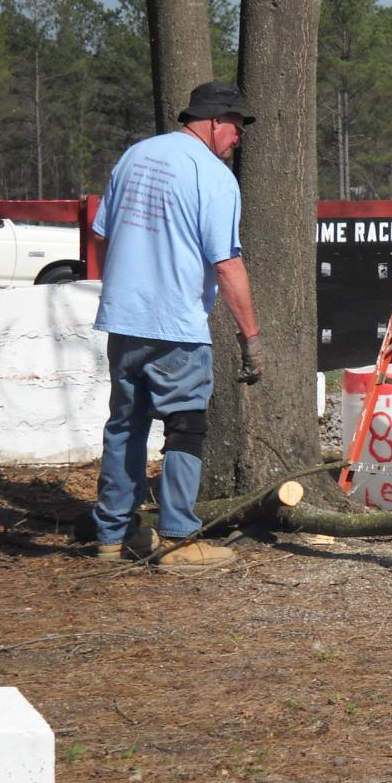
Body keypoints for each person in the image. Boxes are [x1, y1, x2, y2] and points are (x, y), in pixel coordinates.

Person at [91, 80, 264, 570]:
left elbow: (102, 233)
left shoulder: (135, 156)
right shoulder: (213, 176)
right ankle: (177, 540)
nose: (239, 137)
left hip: (124, 319)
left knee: (125, 426)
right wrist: (251, 337)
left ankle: (112, 537)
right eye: (236, 126)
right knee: (186, 427)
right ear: (214, 121)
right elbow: (226, 264)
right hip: (176, 324)